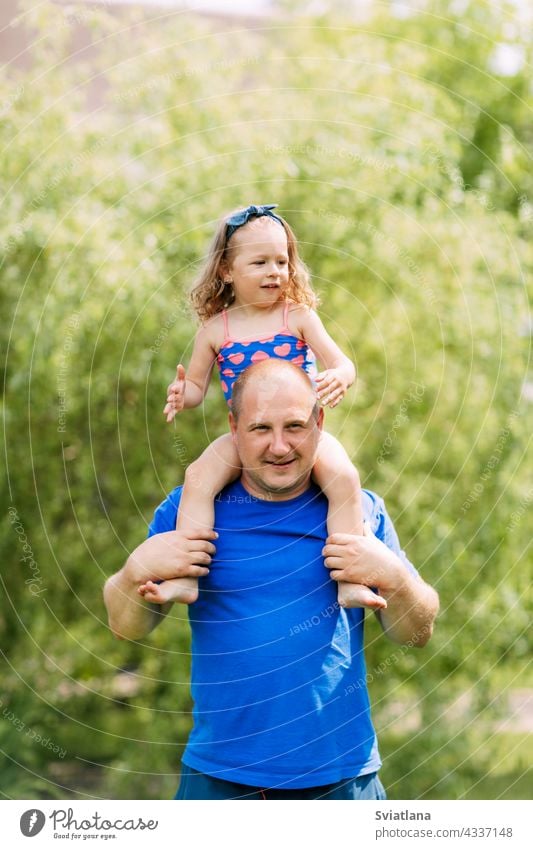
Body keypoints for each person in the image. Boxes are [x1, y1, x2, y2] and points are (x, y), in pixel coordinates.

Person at [104, 359, 440, 800]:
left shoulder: (358, 513)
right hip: (219, 782)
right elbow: (127, 625)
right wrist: (134, 572)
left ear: (319, 422)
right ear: (234, 427)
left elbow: (415, 633)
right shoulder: (189, 513)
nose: (279, 446)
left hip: (340, 781)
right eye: (261, 428)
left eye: (295, 426)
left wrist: (395, 577)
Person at [145, 203, 382, 611]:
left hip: (300, 434)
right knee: (199, 477)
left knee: (343, 477)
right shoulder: (215, 330)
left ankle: (352, 581)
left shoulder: (298, 317)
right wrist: (184, 394)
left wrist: (340, 377)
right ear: (226, 270)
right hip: (246, 439)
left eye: (282, 261)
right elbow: (199, 387)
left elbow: (343, 363)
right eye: (260, 262)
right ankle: (184, 577)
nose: (275, 271)